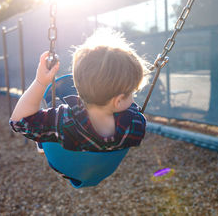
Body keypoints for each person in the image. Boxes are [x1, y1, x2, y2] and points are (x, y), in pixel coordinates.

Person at [9, 29, 148, 156]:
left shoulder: (63, 120)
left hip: (65, 163)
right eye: (132, 93)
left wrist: (40, 81)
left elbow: (18, 122)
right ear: (118, 101)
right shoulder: (135, 124)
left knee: (53, 106)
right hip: (102, 167)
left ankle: (42, 140)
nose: (133, 98)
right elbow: (132, 111)